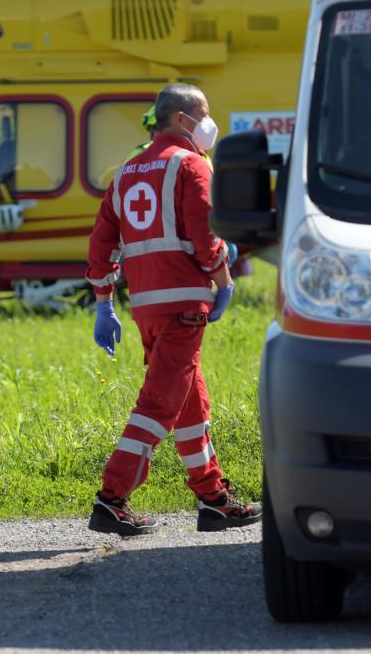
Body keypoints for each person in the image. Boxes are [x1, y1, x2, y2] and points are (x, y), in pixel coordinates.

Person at [84, 83, 260, 536]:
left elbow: (101, 244)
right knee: (159, 404)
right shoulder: (191, 164)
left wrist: (105, 303)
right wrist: (223, 279)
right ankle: (112, 498)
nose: (208, 122)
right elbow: (206, 235)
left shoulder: (125, 171)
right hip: (185, 303)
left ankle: (213, 498)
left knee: (190, 403)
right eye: (203, 113)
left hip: (146, 308)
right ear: (182, 119)